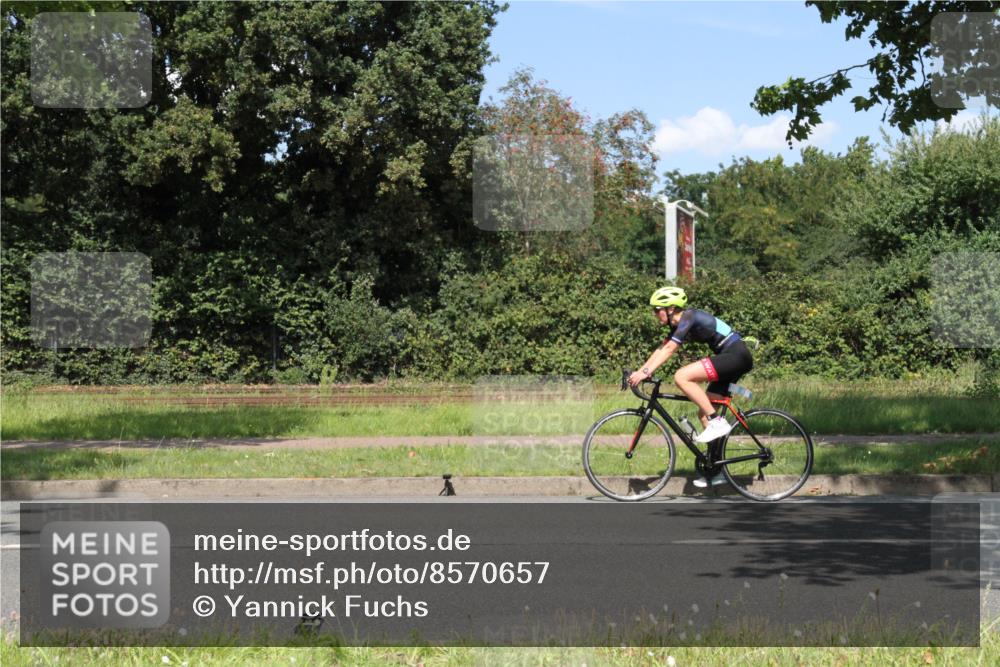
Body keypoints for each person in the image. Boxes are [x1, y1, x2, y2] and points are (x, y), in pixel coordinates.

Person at [627, 286, 754, 487]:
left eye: (656, 309)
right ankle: (717, 470)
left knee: (682, 376)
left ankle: (717, 421)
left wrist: (645, 373)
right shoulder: (679, 324)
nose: (654, 313)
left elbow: (669, 350)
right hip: (731, 357)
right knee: (704, 413)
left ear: (670, 308)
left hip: (736, 355)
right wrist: (641, 371)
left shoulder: (689, 317)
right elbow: (661, 349)